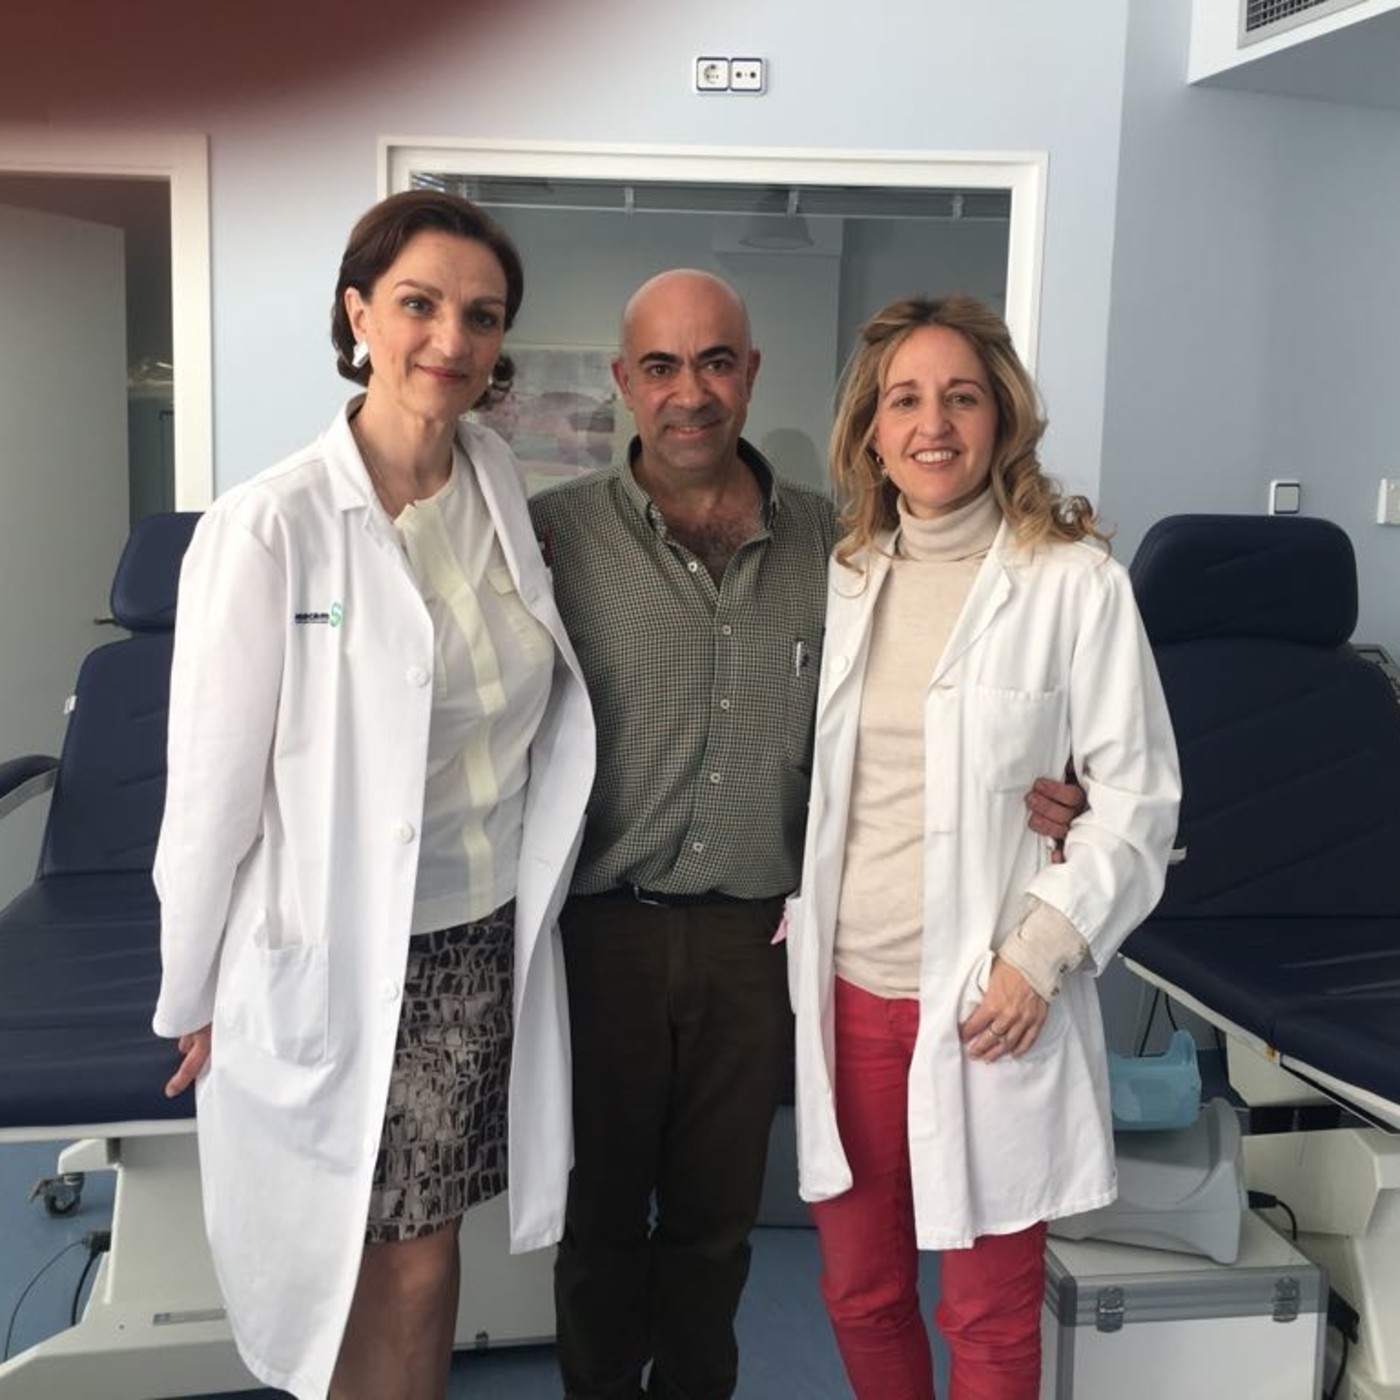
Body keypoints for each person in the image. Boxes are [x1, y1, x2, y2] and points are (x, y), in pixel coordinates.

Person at [529, 269, 1085, 1400]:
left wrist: (1057, 784)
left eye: (715, 362)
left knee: (717, 1223)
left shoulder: (837, 549)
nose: (690, 392)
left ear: (751, 372)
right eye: (661, 366)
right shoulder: (556, 537)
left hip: (760, 938)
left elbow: (932, 718)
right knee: (599, 1222)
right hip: (604, 931)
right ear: (624, 380)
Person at [151, 190, 595, 1400]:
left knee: (420, 1248)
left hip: (473, 929)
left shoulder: (497, 481)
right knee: (353, 1255)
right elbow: (210, 788)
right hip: (334, 943)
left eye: (481, 315)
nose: (451, 338)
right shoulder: (270, 525)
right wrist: (191, 985)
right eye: (418, 304)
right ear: (358, 314)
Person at [785, 293, 1182, 1400]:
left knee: (990, 1311)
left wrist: (1037, 953)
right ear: (871, 429)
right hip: (852, 985)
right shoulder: (847, 573)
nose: (933, 424)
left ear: (1000, 417)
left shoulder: (1074, 583)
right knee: (860, 1291)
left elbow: (1139, 799)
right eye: (905, 399)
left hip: (990, 996)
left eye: (960, 397)